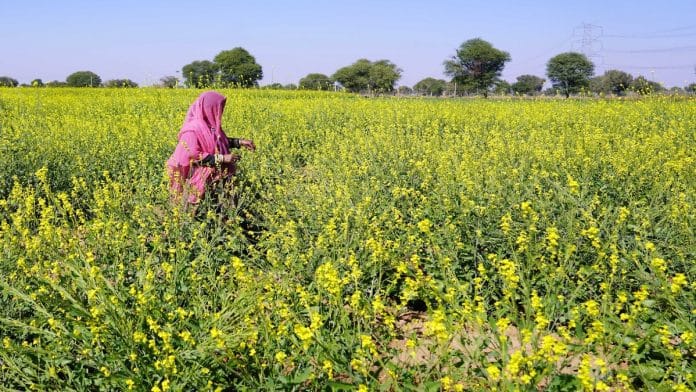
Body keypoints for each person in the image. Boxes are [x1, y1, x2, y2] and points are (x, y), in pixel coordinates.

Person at [167, 91, 255, 206]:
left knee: (223, 212)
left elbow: (217, 143)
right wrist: (222, 158)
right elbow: (193, 155)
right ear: (209, 108)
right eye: (218, 108)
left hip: (217, 177)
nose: (220, 111)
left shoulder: (211, 126)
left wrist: (239, 142)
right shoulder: (192, 130)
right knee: (193, 214)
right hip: (198, 181)